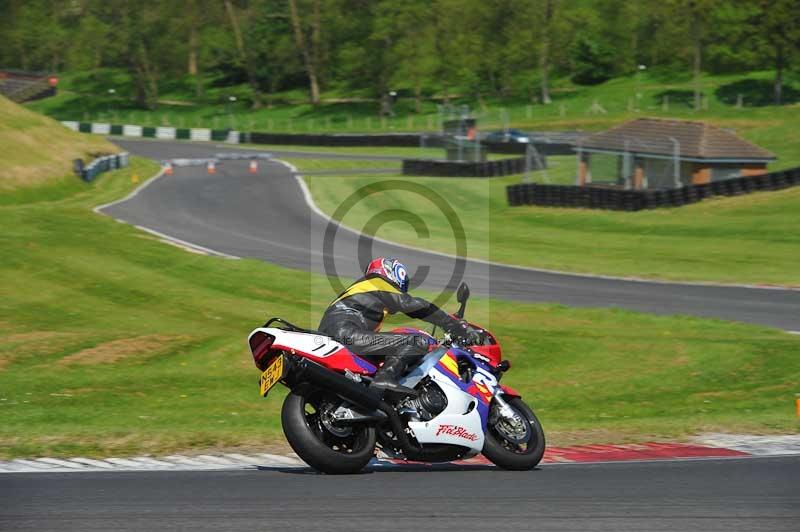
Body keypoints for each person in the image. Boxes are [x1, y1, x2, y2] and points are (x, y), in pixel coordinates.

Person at [319, 257, 482, 395]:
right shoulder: (377, 282)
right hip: (345, 331)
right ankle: (385, 379)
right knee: (416, 342)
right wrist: (452, 324)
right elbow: (414, 305)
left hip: (338, 334)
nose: (401, 291)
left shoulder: (365, 293)